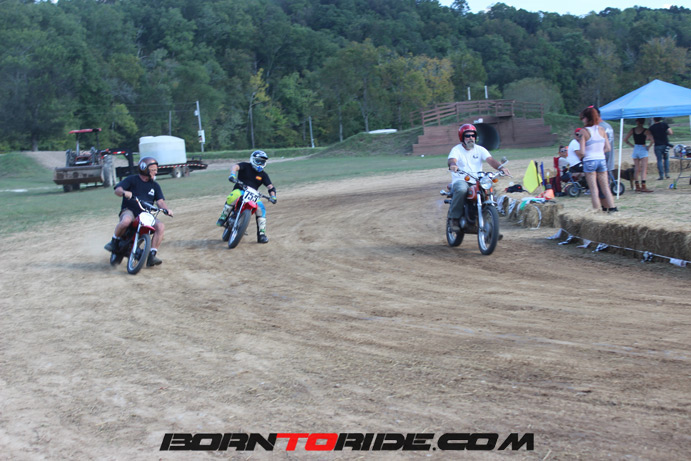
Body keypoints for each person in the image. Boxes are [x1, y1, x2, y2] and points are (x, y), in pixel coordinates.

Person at [104, 157, 173, 266]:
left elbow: (160, 201)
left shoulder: (155, 186)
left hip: (145, 214)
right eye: (153, 170)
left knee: (160, 226)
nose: (156, 172)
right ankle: (114, 241)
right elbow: (117, 190)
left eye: (156, 169)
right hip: (129, 210)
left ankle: (152, 255)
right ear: (144, 169)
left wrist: (166, 209)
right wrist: (124, 192)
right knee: (126, 221)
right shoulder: (132, 179)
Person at [447, 123, 510, 231]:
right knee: (462, 190)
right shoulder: (456, 150)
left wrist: (501, 168)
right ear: (462, 137)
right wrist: (453, 165)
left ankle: (491, 229)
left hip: (478, 180)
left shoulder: (480, 149)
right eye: (467, 136)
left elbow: (490, 160)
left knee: (488, 192)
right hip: (461, 179)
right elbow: (452, 159)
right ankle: (454, 219)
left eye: (473, 135)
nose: (471, 138)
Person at [216, 150, 277, 243]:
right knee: (233, 197)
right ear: (253, 159)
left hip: (253, 195)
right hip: (240, 190)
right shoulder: (245, 166)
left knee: (261, 209)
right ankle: (223, 217)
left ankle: (261, 235)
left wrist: (273, 197)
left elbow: (270, 187)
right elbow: (235, 167)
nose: (260, 164)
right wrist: (232, 175)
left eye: (262, 162)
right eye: (258, 161)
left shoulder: (263, 175)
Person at [577, 107, 617, 213]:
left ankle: (597, 210)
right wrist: (599, 152)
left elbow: (582, 151)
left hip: (590, 161)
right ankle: (612, 208)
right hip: (601, 160)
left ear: (586, 118)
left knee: (594, 189)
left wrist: (581, 156)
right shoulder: (602, 130)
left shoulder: (583, 131)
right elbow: (608, 148)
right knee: (605, 187)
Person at [623, 118, 654, 193]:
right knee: (644, 168)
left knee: (637, 168)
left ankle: (637, 185)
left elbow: (625, 139)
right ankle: (643, 185)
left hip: (636, 148)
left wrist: (632, 146)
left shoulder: (633, 130)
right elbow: (652, 140)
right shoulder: (645, 130)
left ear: (637, 122)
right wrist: (649, 146)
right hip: (643, 148)